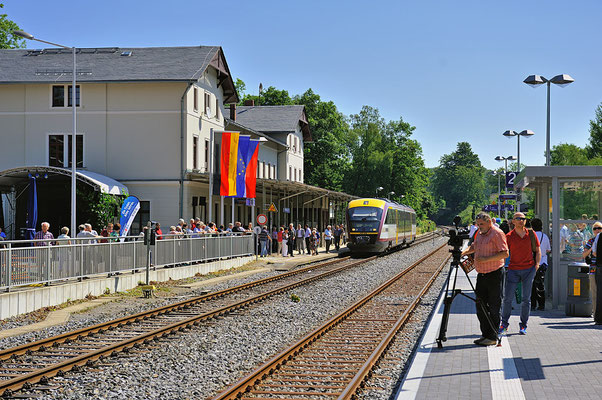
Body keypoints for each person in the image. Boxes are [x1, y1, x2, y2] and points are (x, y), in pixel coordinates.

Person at [461, 212, 509, 346]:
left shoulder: (497, 233)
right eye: (477, 224)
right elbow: (475, 247)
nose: (479, 226)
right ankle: (485, 334)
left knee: (494, 306)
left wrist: (486, 259)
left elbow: (505, 253)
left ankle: (493, 336)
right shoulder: (480, 234)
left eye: (481, 224)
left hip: (495, 274)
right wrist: (464, 252)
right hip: (481, 274)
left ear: (489, 222)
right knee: (480, 305)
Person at [500, 212, 541, 336]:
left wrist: (537, 265)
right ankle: (504, 324)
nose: (521, 221)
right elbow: (503, 252)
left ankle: (523, 325)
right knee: (507, 299)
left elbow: (538, 251)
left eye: (523, 219)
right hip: (513, 270)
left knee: (526, 300)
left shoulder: (531, 234)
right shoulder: (509, 236)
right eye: (518, 219)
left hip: (529, 270)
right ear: (513, 221)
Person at [530, 218, 551, 311]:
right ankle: (541, 304)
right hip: (542, 262)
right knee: (540, 284)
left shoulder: (530, 236)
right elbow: (548, 250)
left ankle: (532, 304)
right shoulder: (544, 236)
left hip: (531, 262)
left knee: (531, 284)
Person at [584, 221, 602, 317]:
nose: (597, 230)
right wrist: (592, 248)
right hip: (593, 269)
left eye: (599, 228)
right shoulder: (591, 241)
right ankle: (595, 314)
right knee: (594, 292)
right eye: (595, 228)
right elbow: (584, 254)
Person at [592, 223, 602, 324]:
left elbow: (594, 252)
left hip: (600, 266)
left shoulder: (599, 236)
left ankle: (599, 318)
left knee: (599, 292)